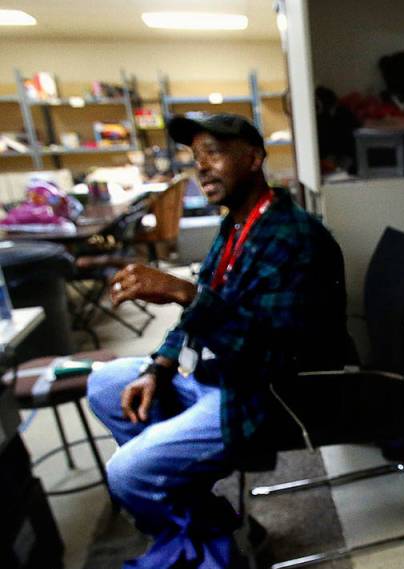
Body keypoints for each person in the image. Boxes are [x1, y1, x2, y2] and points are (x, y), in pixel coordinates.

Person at [87, 112, 357, 533]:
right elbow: (200, 317)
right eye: (195, 158)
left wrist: (185, 293)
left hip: (268, 393)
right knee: (104, 384)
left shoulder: (295, 237)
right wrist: (158, 367)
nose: (201, 167)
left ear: (253, 158)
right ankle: (183, 488)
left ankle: (213, 529)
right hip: (222, 370)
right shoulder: (235, 225)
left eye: (213, 153)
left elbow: (274, 356)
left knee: (126, 473)